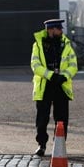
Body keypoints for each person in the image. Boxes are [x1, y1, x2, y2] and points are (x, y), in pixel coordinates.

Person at [30, 19, 78, 156]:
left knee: (62, 119)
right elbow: (35, 65)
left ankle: (60, 146)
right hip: (45, 85)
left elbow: (73, 65)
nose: (61, 31)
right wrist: (51, 75)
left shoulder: (66, 44)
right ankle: (42, 145)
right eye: (58, 28)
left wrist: (64, 76)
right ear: (50, 30)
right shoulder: (38, 45)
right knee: (42, 118)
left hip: (61, 86)